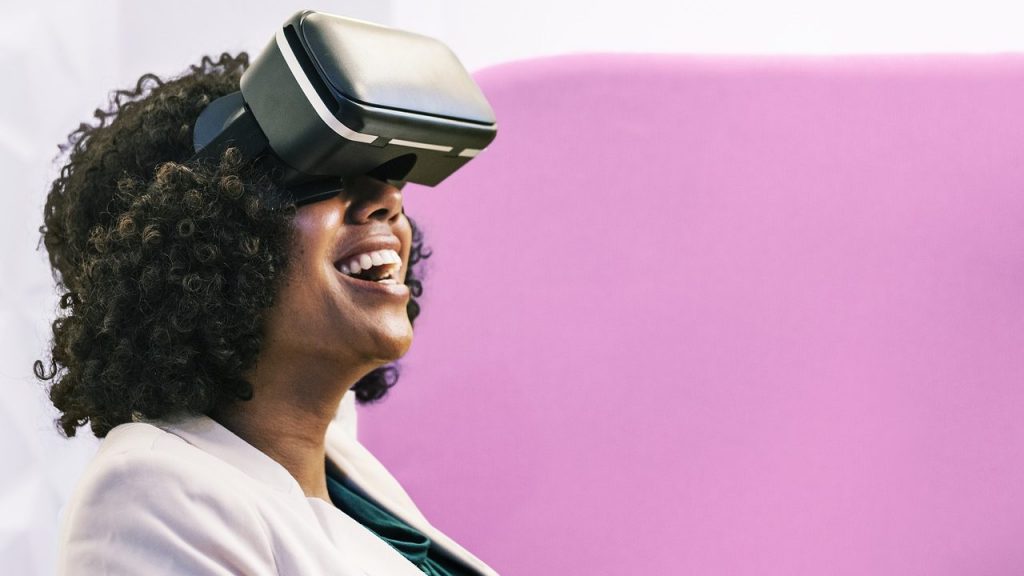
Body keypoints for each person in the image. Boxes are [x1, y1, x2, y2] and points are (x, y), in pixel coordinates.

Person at [36, 53, 498, 576]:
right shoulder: (149, 491)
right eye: (321, 169)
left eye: (384, 175)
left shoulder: (344, 474)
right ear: (206, 240)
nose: (387, 200)